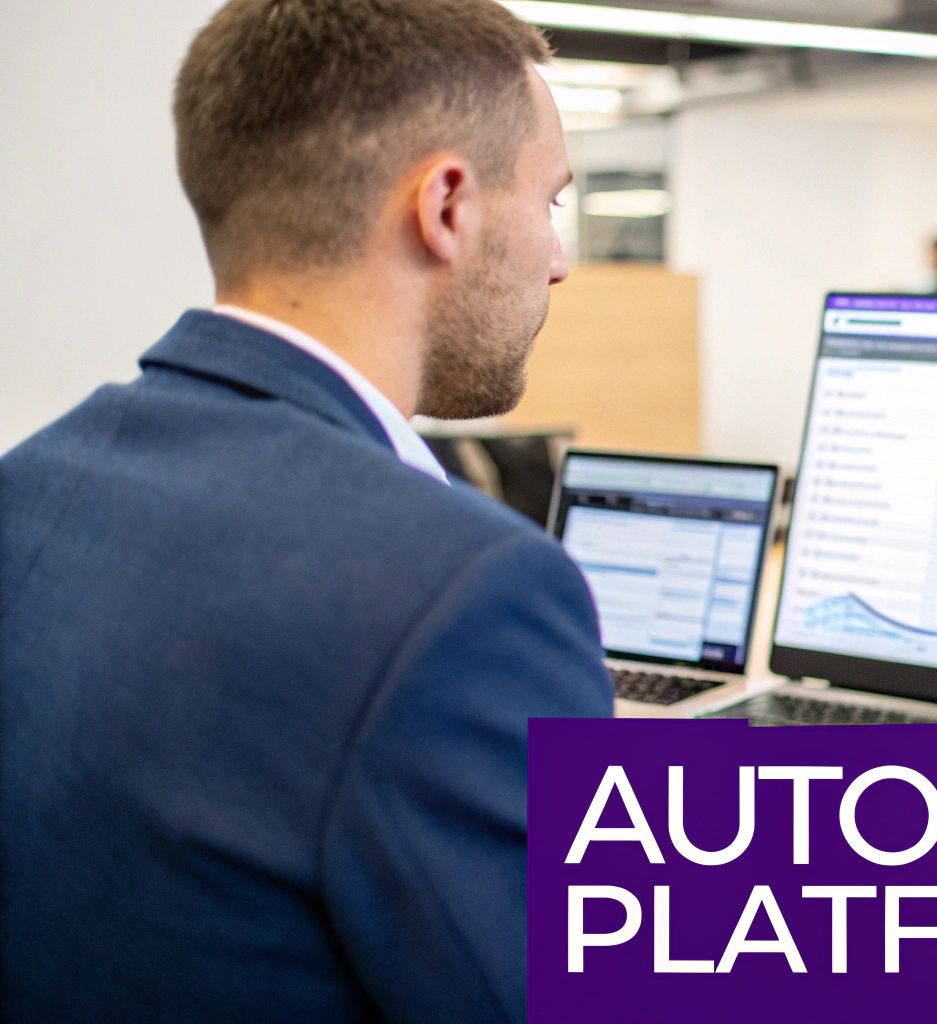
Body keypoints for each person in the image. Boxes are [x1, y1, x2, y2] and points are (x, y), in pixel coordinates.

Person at [0, 1, 614, 1020]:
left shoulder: (34, 483)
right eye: (550, 202)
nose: (559, 261)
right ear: (447, 205)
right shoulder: (461, 591)